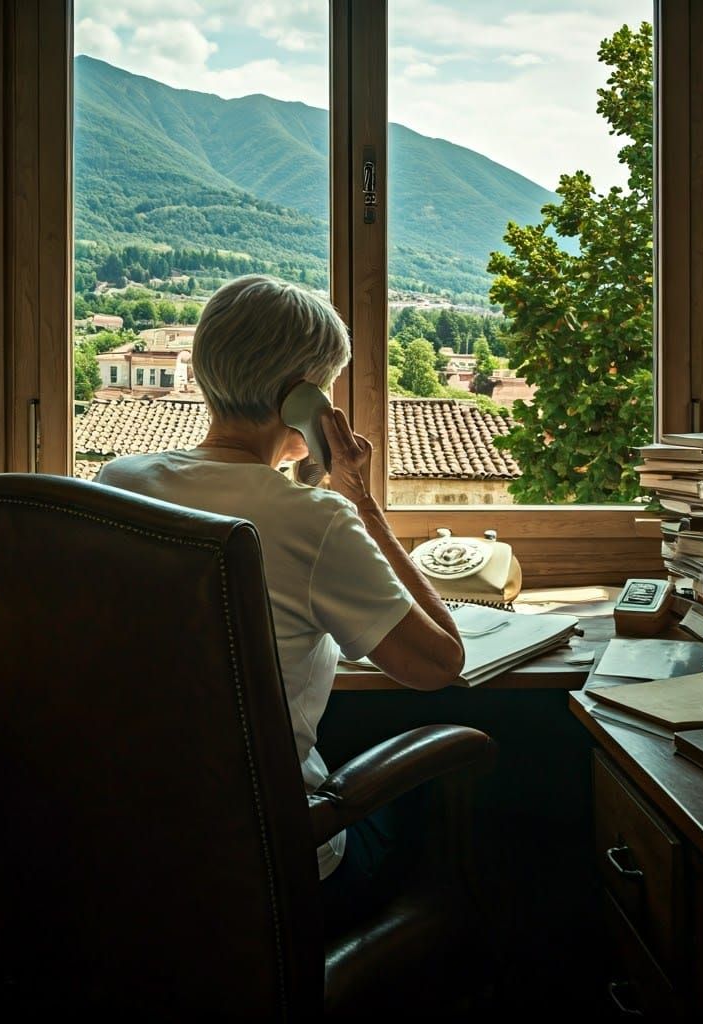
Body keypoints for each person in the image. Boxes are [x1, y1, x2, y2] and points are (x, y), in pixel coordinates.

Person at [95, 274, 464, 933]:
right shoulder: (316, 519)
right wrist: (363, 503)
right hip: (277, 876)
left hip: (133, 860)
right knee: (436, 790)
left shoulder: (118, 482)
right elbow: (440, 662)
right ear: (304, 396)